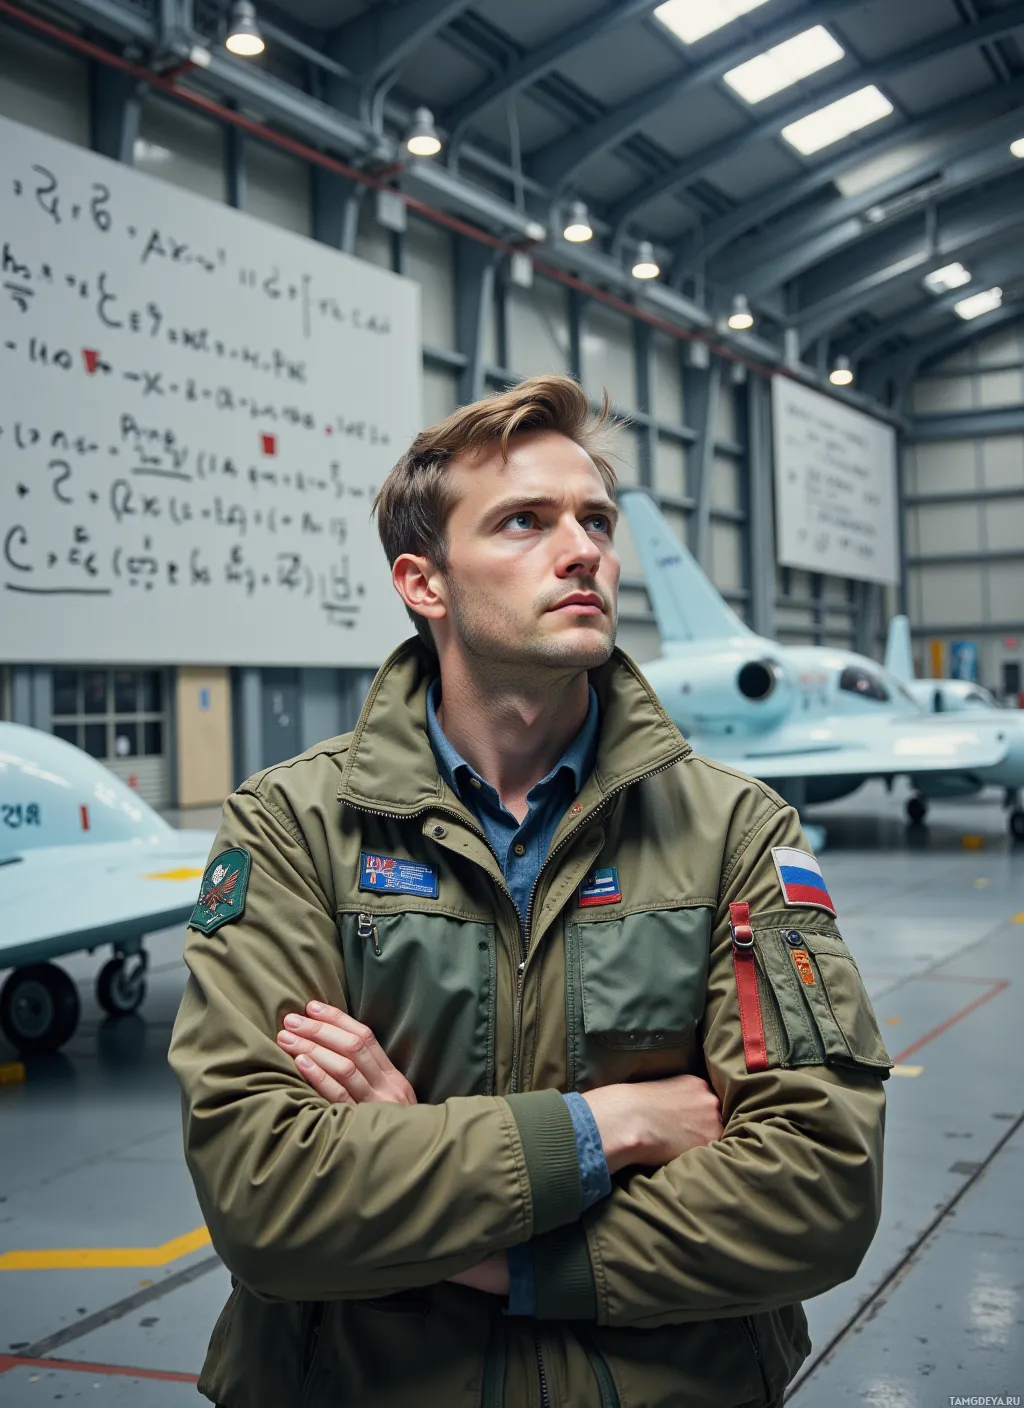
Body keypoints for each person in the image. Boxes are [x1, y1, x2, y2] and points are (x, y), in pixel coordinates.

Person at [169, 373, 890, 1408]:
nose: (584, 547)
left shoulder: (735, 828)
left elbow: (818, 1189)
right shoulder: (293, 828)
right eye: (523, 521)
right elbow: (267, 1194)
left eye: (594, 518)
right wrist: (609, 1126)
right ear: (423, 582)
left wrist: (493, 1251)